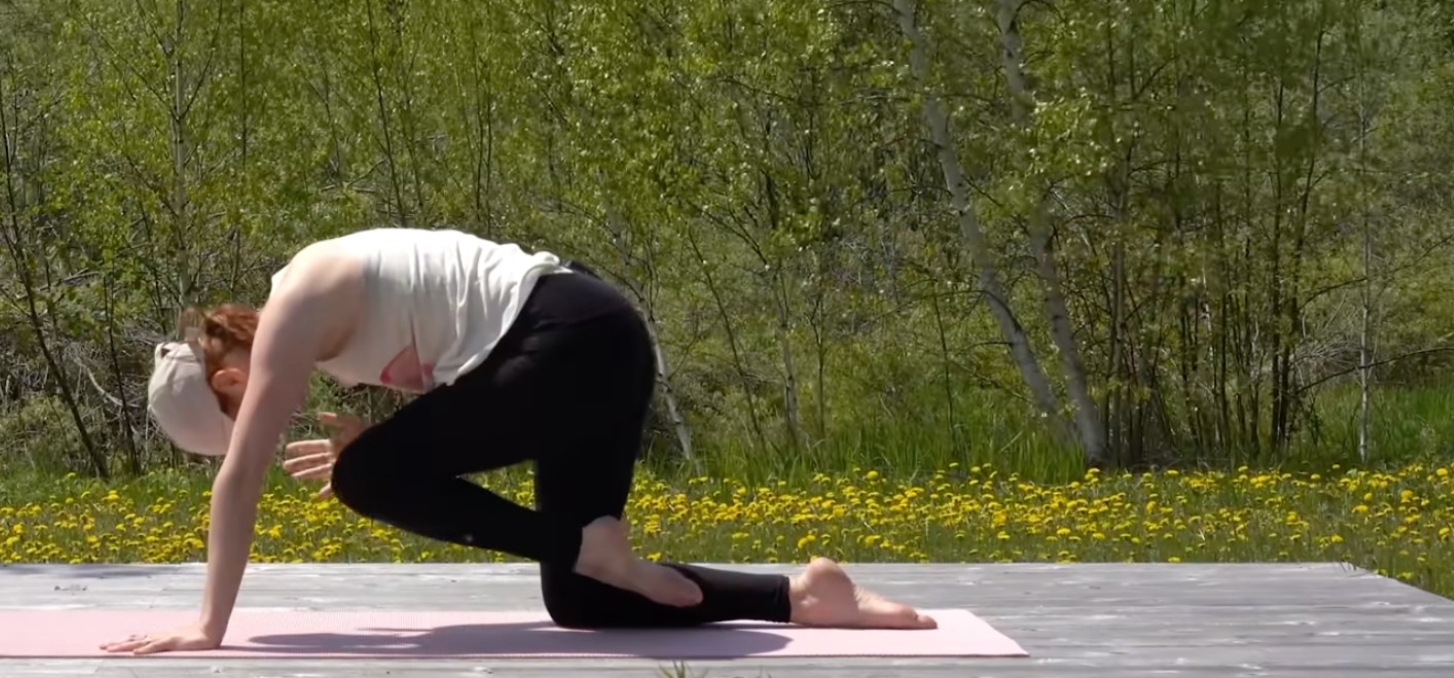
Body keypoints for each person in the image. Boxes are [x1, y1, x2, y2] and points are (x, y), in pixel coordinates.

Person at [104, 227, 935, 655]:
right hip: (584, 361)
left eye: (240, 419)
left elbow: (241, 479)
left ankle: (585, 548)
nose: (261, 427)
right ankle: (802, 596)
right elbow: (476, 402)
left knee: (366, 478)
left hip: (575, 335)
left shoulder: (294, 308)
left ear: (229, 386)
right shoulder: (326, 337)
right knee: (586, 604)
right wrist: (387, 446)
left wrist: (209, 624)